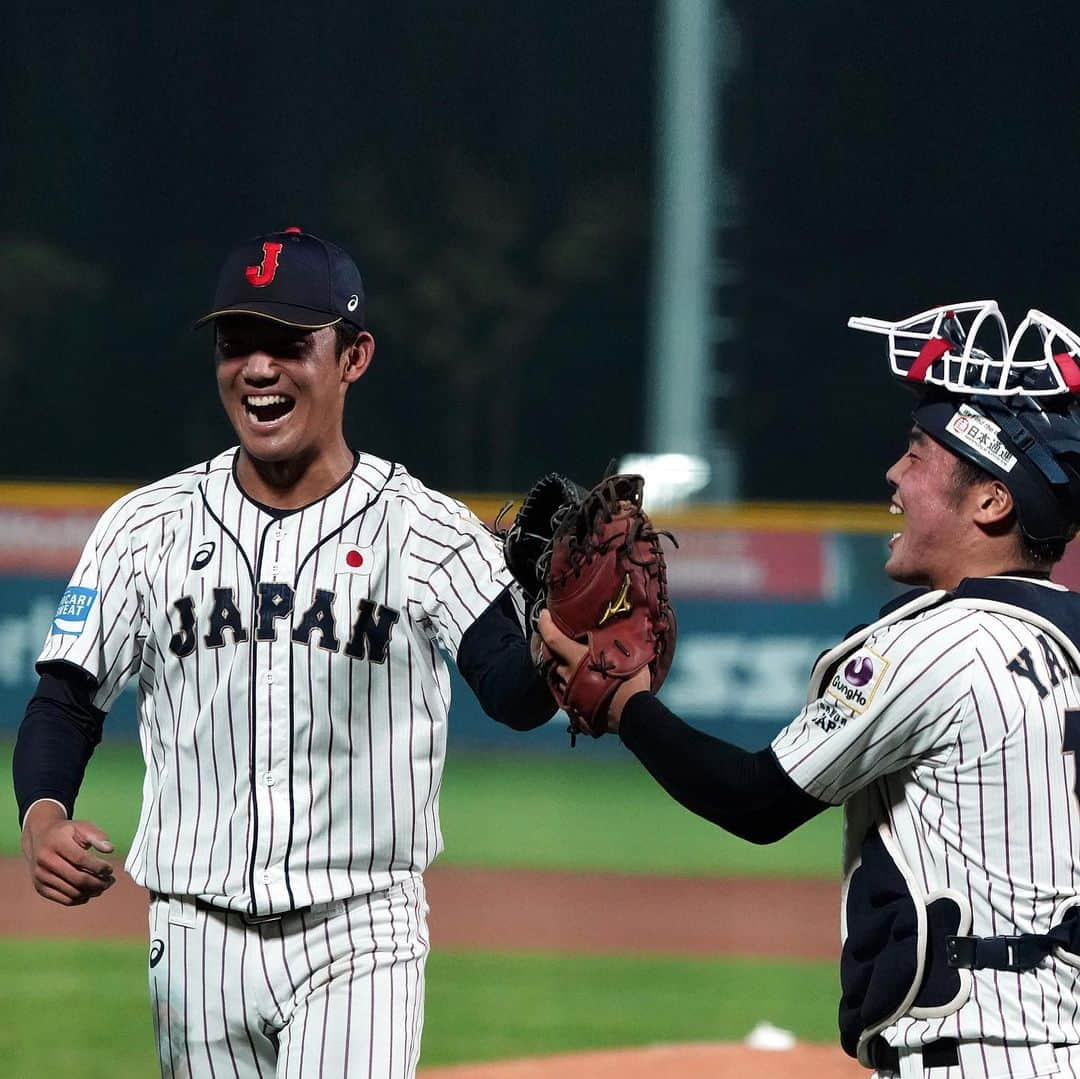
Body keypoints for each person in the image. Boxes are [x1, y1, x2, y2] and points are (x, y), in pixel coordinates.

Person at [13, 226, 556, 1078]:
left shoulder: (421, 527)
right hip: (193, 934)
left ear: (354, 356)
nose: (258, 368)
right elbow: (65, 699)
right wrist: (42, 813)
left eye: (289, 343)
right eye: (238, 343)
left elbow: (515, 692)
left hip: (361, 929)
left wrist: (561, 643)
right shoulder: (144, 527)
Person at [539, 300, 1080, 1078]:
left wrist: (621, 703)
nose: (895, 474)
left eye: (919, 454)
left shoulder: (936, 643)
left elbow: (758, 799)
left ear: (992, 500)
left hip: (972, 1054)